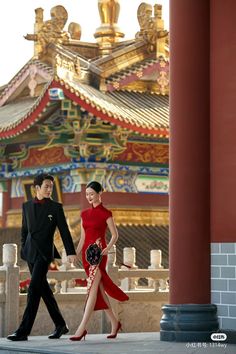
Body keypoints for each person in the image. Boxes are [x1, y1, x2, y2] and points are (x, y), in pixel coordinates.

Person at [7, 173, 76, 341]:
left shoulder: (55, 207)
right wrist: (24, 247)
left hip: (45, 254)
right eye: (46, 186)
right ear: (36, 188)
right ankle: (61, 325)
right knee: (43, 290)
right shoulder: (26, 206)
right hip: (31, 252)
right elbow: (24, 230)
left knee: (33, 289)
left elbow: (64, 231)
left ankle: (23, 331)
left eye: (51, 186)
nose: (49, 189)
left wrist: (71, 251)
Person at [70, 181, 129, 341]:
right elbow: (82, 237)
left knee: (91, 290)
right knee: (99, 291)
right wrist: (75, 252)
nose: (89, 197)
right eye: (87, 194)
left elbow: (115, 235)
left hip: (98, 255)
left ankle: (81, 329)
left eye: (92, 194)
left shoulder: (106, 213)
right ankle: (115, 323)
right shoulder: (84, 214)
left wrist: (107, 248)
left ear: (99, 194)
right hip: (86, 257)